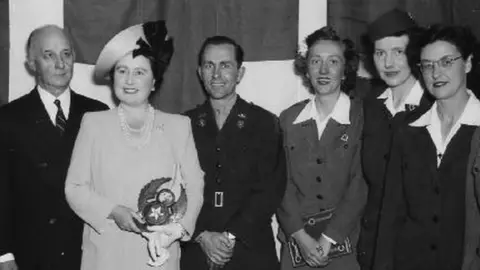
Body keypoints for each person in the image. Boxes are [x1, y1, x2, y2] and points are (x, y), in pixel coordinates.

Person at [64, 21, 204, 270]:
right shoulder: (93, 123)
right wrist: (113, 210)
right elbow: (74, 187)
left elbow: (195, 183)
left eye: (139, 72)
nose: (129, 80)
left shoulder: (179, 126)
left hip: (159, 256)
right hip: (105, 255)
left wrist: (177, 229)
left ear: (154, 82)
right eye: (122, 71)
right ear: (112, 77)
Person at [0, 25, 108, 270]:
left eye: (66, 54)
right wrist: (3, 255)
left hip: (86, 251)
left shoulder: (98, 113)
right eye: (49, 55)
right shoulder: (8, 118)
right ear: (31, 63)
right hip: (31, 252)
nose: (61, 64)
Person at [374, 24, 480, 270]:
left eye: (446, 62)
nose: (436, 73)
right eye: (427, 65)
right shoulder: (407, 130)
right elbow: (391, 215)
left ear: (468, 63)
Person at [180, 36, 287, 270]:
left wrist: (229, 237)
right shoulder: (182, 124)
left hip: (250, 250)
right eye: (209, 65)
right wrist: (202, 236)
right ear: (200, 72)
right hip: (196, 251)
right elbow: (175, 188)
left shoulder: (265, 123)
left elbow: (271, 189)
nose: (216, 74)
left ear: (240, 73)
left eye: (225, 65)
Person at [276, 26, 367, 270]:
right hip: (297, 247)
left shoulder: (363, 117)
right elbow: (279, 182)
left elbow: (361, 183)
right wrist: (300, 236)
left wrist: (328, 239)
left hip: (346, 245)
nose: (324, 70)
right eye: (316, 61)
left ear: (345, 70)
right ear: (306, 68)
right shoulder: (288, 118)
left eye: (333, 61)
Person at [357, 9, 433, 270]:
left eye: (398, 52)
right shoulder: (369, 107)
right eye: (380, 53)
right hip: (374, 244)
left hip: (419, 250)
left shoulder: (434, 107)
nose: (388, 63)